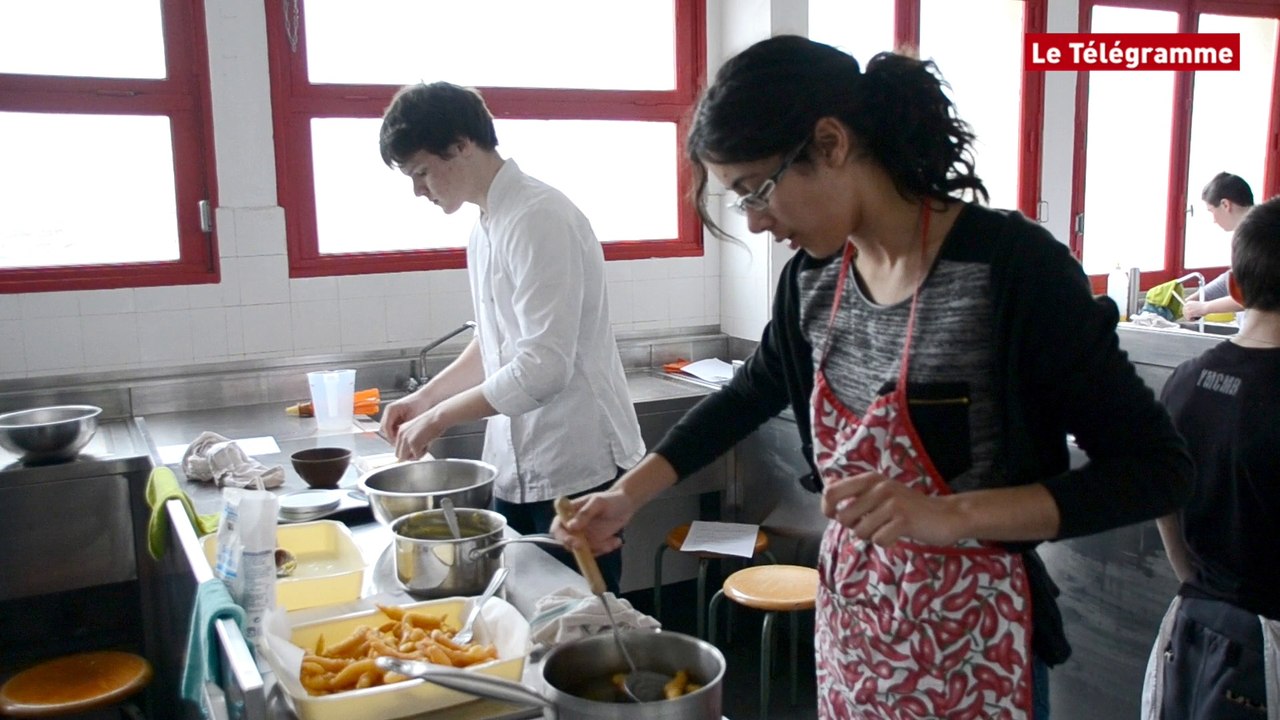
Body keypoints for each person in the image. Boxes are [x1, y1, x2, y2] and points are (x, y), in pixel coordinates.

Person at [553, 36, 1193, 719]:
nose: (758, 222)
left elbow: (1157, 472)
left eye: (756, 190)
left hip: (976, 641)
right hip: (854, 629)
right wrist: (626, 496)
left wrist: (950, 515)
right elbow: (747, 394)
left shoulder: (1011, 271)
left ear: (830, 143)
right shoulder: (813, 281)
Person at [377, 81, 645, 592]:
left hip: (573, 462)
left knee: (582, 616)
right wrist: (424, 399)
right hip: (514, 465)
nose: (419, 190)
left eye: (421, 172)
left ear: (461, 145)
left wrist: (438, 418)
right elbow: (496, 342)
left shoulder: (538, 217)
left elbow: (543, 367)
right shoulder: (485, 227)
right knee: (518, 602)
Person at [1144, 196, 1280, 719]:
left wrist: (1200, 582)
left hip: (1193, 624)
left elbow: (1164, 501)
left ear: (1237, 289)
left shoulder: (1184, 381)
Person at [1182, 172, 1254, 321]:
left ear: (1225, 205)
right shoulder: (1247, 233)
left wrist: (1205, 307)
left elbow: (1251, 296)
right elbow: (1235, 278)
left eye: (1211, 211)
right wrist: (1201, 296)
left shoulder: (1257, 237)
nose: (1214, 220)